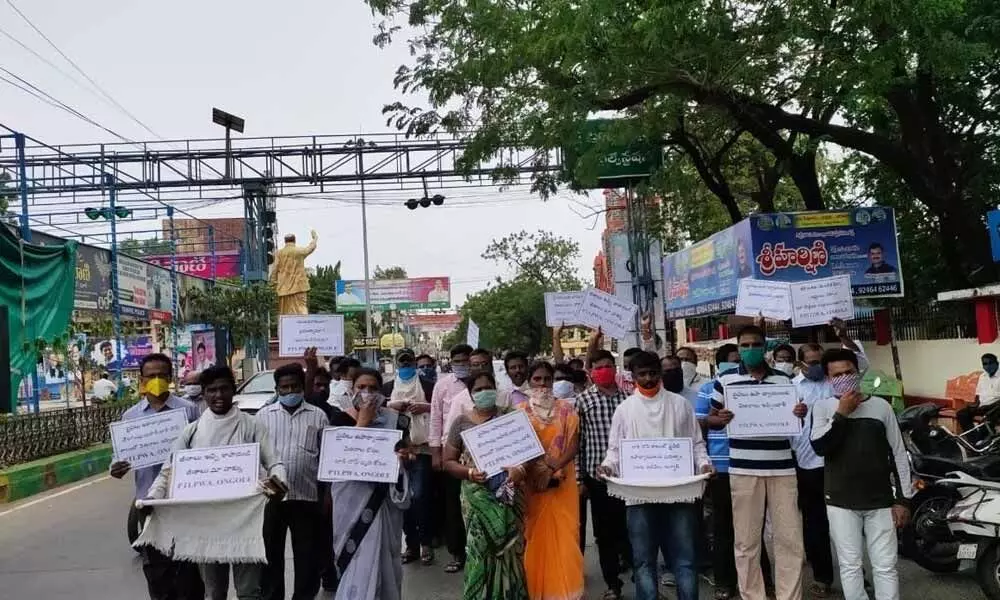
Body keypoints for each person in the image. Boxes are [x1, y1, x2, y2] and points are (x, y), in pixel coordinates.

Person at [145, 365, 288, 600]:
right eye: (212, 390)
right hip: (208, 523)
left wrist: (279, 482)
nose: (218, 396)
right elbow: (169, 470)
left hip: (245, 521)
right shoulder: (192, 431)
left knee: (249, 592)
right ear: (203, 393)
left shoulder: (252, 425)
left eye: (224, 389)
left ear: (233, 390)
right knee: (214, 592)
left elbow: (275, 462)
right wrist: (152, 497)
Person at [599, 350, 713, 600]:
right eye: (642, 374)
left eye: (653, 373)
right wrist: (607, 466)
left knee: (684, 560)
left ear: (660, 373)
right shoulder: (624, 410)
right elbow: (615, 450)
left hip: (678, 494)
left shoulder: (680, 404)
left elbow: (695, 444)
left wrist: (704, 464)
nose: (648, 378)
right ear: (633, 376)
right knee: (643, 562)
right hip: (639, 497)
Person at [711, 325, 808, 600]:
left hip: (782, 468)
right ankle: (753, 595)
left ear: (765, 348)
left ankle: (789, 596)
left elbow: (794, 419)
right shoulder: (725, 381)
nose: (750, 350)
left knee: (790, 539)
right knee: (746, 541)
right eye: (745, 345)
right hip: (743, 469)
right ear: (738, 348)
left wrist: (800, 413)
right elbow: (713, 420)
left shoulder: (784, 381)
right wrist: (723, 418)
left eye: (755, 344)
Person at [811, 348, 913, 600]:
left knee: (885, 566)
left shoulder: (881, 408)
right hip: (840, 502)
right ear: (828, 378)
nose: (844, 377)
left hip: (880, 500)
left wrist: (903, 499)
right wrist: (842, 413)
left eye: (849, 372)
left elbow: (899, 453)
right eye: (837, 374)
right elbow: (821, 447)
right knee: (850, 566)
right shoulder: (822, 408)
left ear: (858, 373)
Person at [109, 353, 202, 600]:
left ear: (170, 378)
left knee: (188, 569)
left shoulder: (189, 411)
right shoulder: (130, 417)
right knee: (157, 571)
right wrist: (116, 468)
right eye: (151, 376)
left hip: (183, 502)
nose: (157, 380)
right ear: (142, 380)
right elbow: (119, 457)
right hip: (149, 505)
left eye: (162, 375)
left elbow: (202, 450)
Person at [443, 371, 529, 600]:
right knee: (479, 550)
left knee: (511, 550)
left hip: (509, 494)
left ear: (496, 390)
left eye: (488, 388)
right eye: (478, 389)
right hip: (476, 496)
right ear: (470, 394)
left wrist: (519, 469)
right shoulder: (461, 422)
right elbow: (448, 462)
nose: (483, 393)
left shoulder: (511, 417)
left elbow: (528, 453)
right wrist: (469, 473)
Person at [331, 368, 411, 600]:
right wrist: (362, 424)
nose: (367, 393)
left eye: (373, 388)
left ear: (382, 393)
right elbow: (338, 461)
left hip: (385, 503)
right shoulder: (340, 419)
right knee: (356, 563)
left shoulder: (395, 421)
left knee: (386, 565)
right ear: (352, 390)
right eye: (361, 388)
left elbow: (407, 454)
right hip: (351, 503)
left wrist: (407, 459)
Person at [256, 364, 330, 600]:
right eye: (284, 388)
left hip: (306, 497)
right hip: (271, 499)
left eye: (294, 387)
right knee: (270, 554)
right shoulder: (262, 417)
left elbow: (327, 458)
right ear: (276, 389)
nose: (290, 392)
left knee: (307, 556)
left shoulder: (318, 415)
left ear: (302, 387)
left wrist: (327, 494)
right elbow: (254, 455)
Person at [519, 361, 584, 600]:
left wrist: (553, 467)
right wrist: (540, 470)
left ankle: (568, 592)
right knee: (534, 536)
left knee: (567, 535)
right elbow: (520, 447)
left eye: (548, 379)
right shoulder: (520, 412)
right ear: (529, 381)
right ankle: (538, 592)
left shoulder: (566, 409)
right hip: (533, 483)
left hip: (563, 482)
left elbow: (574, 443)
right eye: (537, 379)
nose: (543, 384)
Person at [576, 349, 632, 598]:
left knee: (630, 529)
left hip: (628, 476)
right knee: (604, 533)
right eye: (599, 367)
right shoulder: (583, 401)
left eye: (608, 365)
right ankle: (613, 583)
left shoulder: (630, 398)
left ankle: (637, 575)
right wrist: (579, 478)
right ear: (591, 371)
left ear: (615, 368)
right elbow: (577, 444)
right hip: (597, 478)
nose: (604, 370)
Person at [791, 343, 836, 597]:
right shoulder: (792, 388)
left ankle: (857, 573)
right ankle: (822, 576)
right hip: (806, 464)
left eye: (820, 360)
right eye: (812, 361)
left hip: (835, 461)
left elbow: (861, 366)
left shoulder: (833, 384)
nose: (817, 366)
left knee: (844, 522)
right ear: (801, 364)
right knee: (815, 522)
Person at [384, 349, 436, 565]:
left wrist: (425, 407)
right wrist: (390, 405)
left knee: (420, 497)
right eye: (402, 361)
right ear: (397, 363)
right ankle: (411, 544)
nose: (405, 364)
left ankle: (425, 543)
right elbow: (377, 411)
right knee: (403, 499)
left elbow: (441, 411)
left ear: (415, 362)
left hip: (421, 450)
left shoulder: (427, 386)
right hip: (396, 453)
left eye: (409, 361)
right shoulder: (387, 388)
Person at [430, 343, 475, 573]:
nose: (462, 365)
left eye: (466, 361)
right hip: (452, 453)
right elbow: (436, 419)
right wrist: (436, 452)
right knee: (453, 504)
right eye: (456, 361)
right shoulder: (443, 386)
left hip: (480, 456)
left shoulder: (486, 385)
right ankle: (457, 552)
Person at [270, 230, 318, 315]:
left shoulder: (279, 253)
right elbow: (310, 249)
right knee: (301, 309)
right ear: (294, 240)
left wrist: (273, 283)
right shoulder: (299, 251)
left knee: (284, 313)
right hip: (299, 287)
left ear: (285, 241)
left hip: (283, 288)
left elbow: (275, 269)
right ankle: (303, 326)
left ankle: (285, 328)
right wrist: (315, 239)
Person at [957, 353, 1000, 432]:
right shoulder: (982, 376)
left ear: (997, 363)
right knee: (962, 414)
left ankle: (985, 439)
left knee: (990, 417)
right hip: (982, 406)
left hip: (996, 407)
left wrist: (990, 406)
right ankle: (975, 439)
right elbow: (978, 394)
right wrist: (974, 405)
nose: (988, 366)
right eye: (985, 364)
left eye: (990, 363)